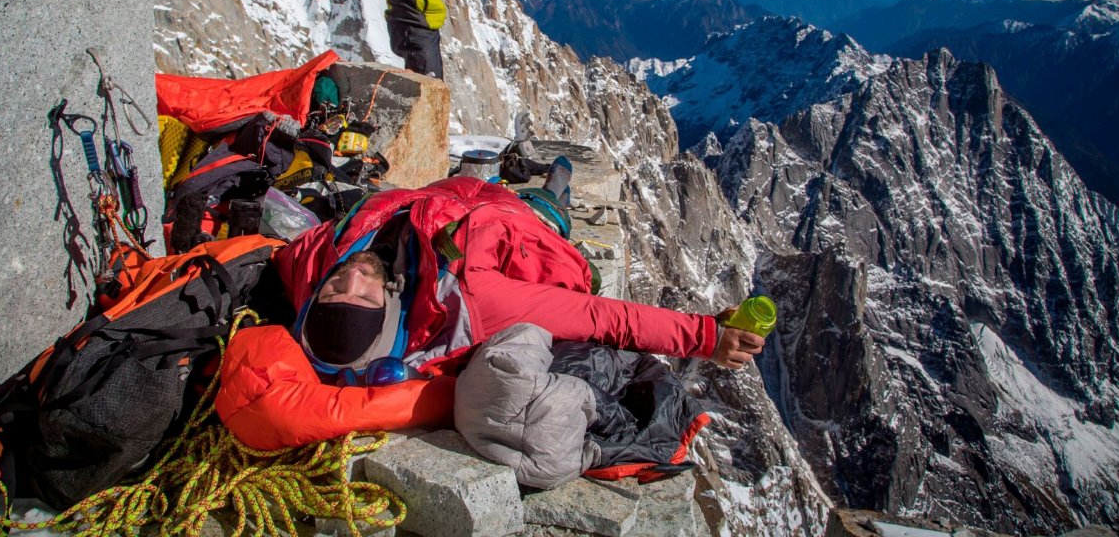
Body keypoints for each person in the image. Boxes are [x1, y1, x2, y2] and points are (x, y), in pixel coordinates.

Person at [214, 178, 766, 450]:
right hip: (496, 221)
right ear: (387, 314)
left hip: (429, 201)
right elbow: (602, 317)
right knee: (548, 218)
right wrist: (707, 334)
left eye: (337, 287)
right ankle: (552, 196)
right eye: (361, 295)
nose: (355, 276)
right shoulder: (474, 304)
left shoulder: (309, 267)